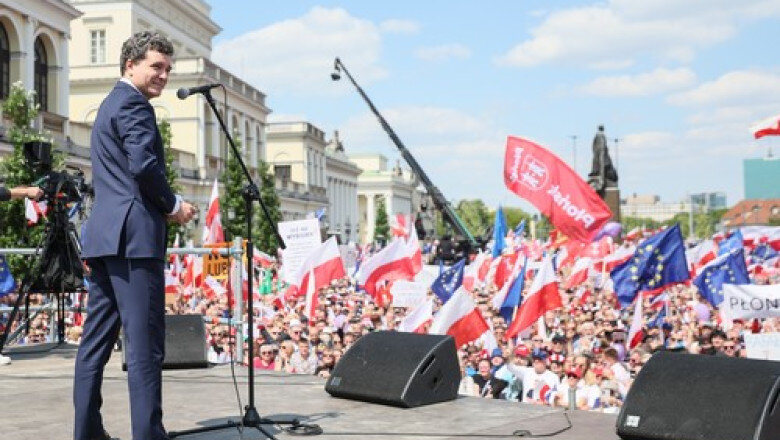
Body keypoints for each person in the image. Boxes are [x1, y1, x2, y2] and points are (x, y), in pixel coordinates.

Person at [73, 31, 197, 440]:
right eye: (155, 66)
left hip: (106, 238)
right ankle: (148, 434)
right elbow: (145, 168)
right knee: (144, 346)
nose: (163, 75)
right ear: (131, 65)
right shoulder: (134, 105)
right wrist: (174, 205)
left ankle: (87, 432)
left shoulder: (109, 103)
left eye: (168, 68)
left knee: (94, 344)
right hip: (135, 240)